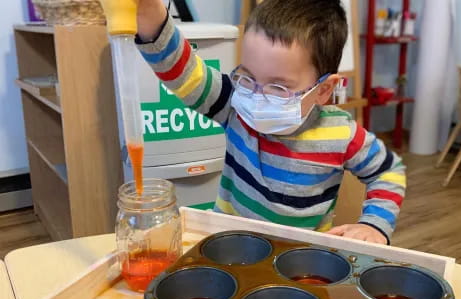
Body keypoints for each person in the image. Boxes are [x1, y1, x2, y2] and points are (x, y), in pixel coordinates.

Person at [101, 0, 406, 244]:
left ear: (324, 90)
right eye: (248, 76)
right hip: (231, 245)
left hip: (301, 261)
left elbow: (389, 171)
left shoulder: (341, 135)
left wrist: (375, 224)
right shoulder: (235, 105)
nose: (256, 97)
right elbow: (183, 71)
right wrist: (152, 15)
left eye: (278, 87)